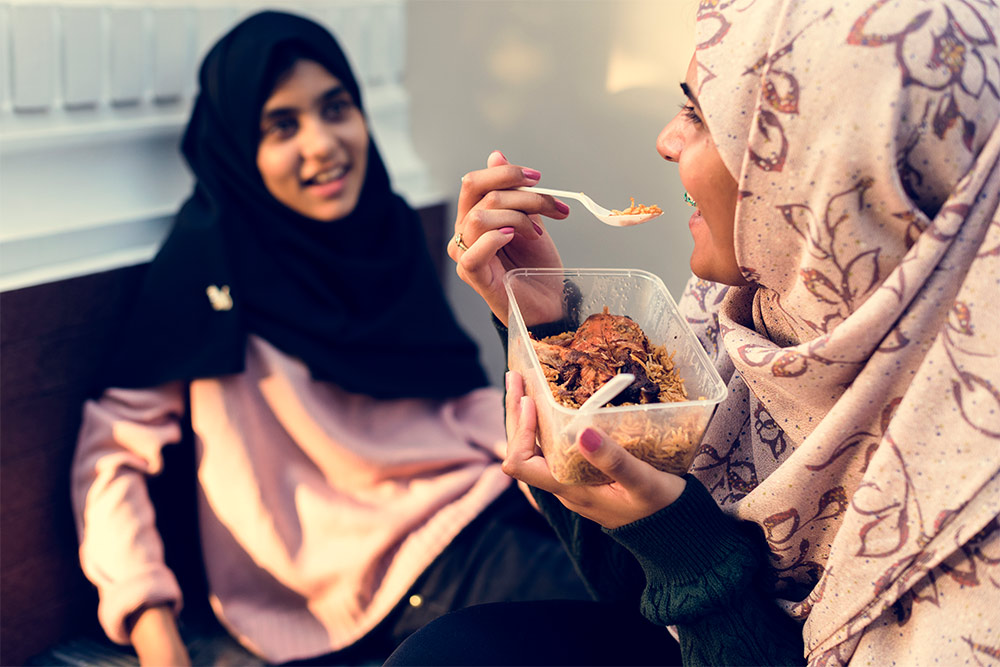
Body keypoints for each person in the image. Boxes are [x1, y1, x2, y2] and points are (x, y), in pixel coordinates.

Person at [387, 0, 1000, 664]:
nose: (666, 141)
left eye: (701, 117)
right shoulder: (744, 306)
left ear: (832, 172)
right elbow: (628, 595)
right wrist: (548, 330)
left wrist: (696, 556)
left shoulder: (970, 480)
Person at [69, 10, 594, 666]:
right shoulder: (208, 266)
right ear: (236, 142)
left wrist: (557, 471)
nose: (322, 144)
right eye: (282, 125)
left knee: (647, 575)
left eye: (336, 107)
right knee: (634, 627)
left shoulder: (384, 229)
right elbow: (112, 455)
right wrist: (152, 627)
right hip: (369, 577)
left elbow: (447, 395)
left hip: (480, 503)